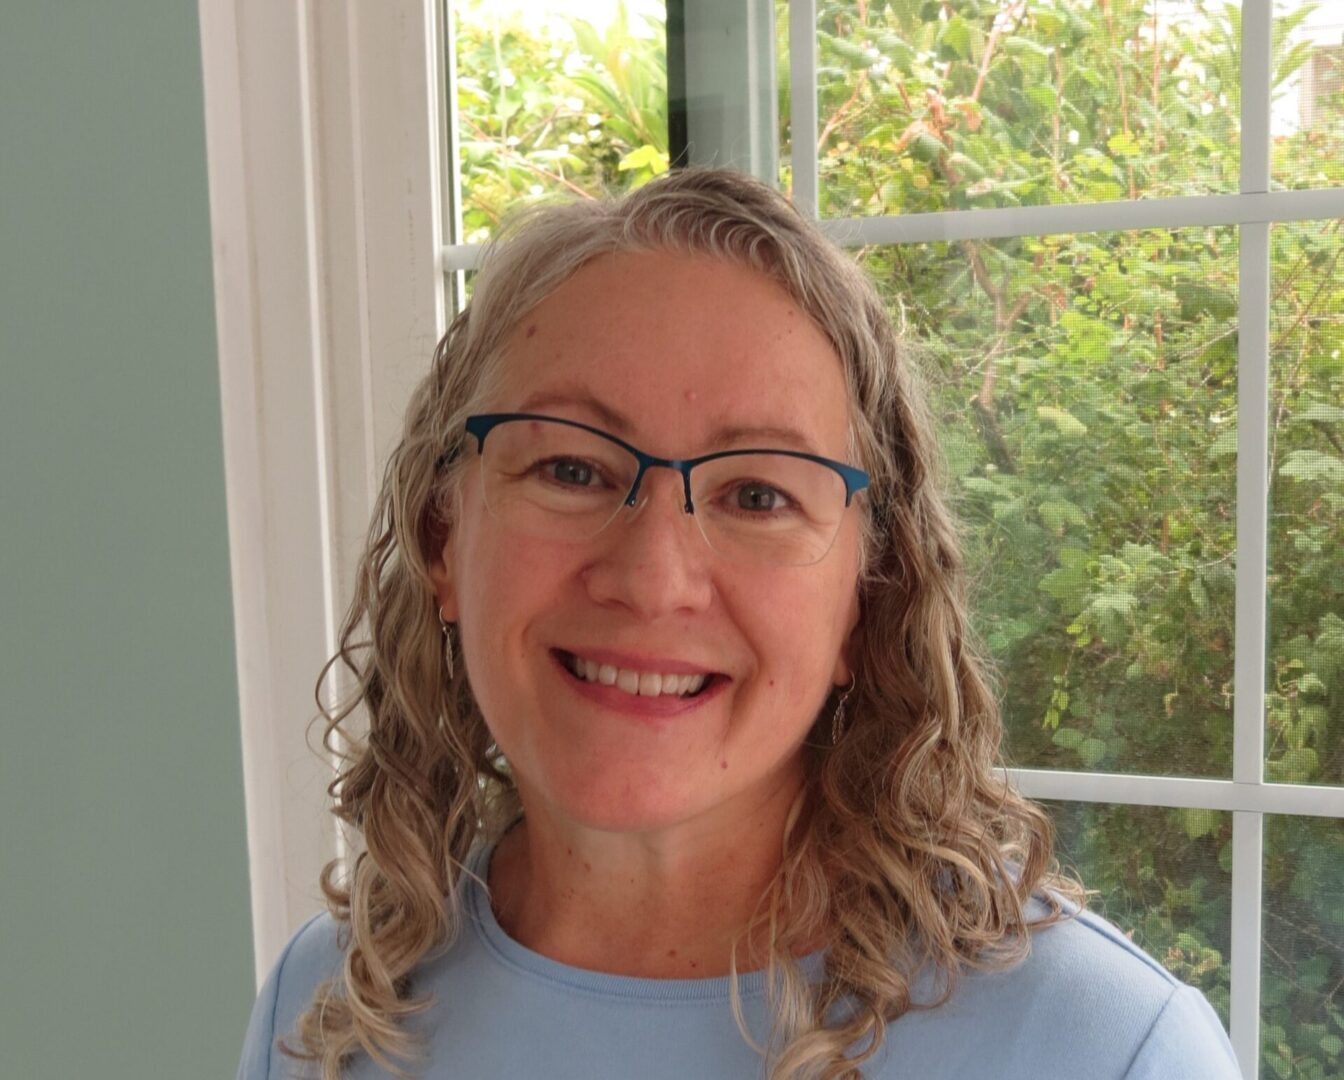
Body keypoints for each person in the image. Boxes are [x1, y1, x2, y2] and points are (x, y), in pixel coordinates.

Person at [236, 168, 1241, 1080]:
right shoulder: (329, 1007)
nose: (653, 578)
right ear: (442, 539)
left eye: (757, 495)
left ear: (869, 597)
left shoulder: (1106, 1051)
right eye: (572, 469)